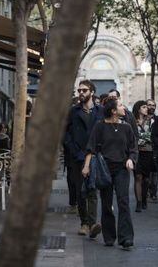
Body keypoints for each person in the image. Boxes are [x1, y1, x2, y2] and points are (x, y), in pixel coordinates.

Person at [82, 97, 137, 249]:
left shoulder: (126, 127)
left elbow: (133, 148)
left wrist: (131, 159)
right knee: (107, 204)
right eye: (120, 105)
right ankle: (109, 236)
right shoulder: (100, 127)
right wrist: (86, 167)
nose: (123, 107)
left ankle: (126, 238)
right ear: (113, 111)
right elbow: (91, 148)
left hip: (121, 169)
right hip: (104, 169)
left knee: (123, 202)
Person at [64, 80, 104, 238]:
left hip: (95, 155)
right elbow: (65, 133)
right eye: (79, 90)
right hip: (77, 156)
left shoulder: (100, 111)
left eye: (84, 90)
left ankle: (93, 224)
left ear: (92, 92)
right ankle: (84, 223)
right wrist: (73, 150)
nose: (81, 93)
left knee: (92, 190)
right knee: (81, 192)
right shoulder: (73, 112)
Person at [132, 100, 152, 212]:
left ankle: (144, 199)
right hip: (137, 152)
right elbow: (132, 136)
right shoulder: (133, 121)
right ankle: (138, 202)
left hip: (148, 152)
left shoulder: (150, 121)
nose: (146, 109)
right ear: (138, 108)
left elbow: (154, 135)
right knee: (138, 177)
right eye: (144, 107)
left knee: (146, 179)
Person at [146, 99, 158, 200]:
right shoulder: (141, 119)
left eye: (153, 105)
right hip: (144, 149)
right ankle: (146, 190)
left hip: (155, 149)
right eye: (149, 105)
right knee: (146, 173)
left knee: (155, 172)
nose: (151, 107)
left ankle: (153, 192)